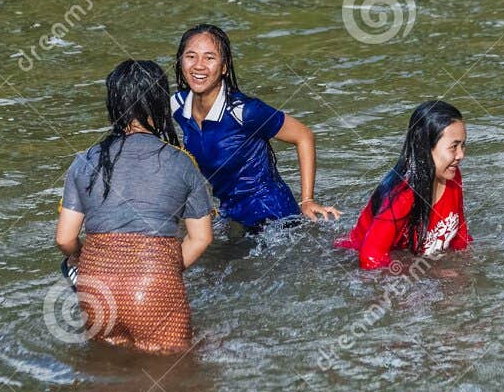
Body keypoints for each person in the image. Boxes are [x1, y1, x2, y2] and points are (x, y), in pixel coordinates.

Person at [55, 60, 213, 355]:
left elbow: (64, 238)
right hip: (154, 286)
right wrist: (164, 270)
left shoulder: (85, 160)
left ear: (113, 106)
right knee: (177, 378)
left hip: (95, 289)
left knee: (106, 370)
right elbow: (201, 238)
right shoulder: (180, 161)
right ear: (160, 106)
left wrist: (80, 259)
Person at [171, 24, 342, 231]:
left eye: (209, 58)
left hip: (273, 217)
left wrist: (307, 200)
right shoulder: (178, 106)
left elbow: (304, 135)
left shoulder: (245, 111)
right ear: (180, 61)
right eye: (191, 56)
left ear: (224, 67)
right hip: (230, 213)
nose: (199, 65)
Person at [335, 100, 471, 270]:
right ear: (425, 147)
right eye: (454, 146)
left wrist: (466, 263)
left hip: (411, 258)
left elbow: (459, 232)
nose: (461, 155)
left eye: (463, 145)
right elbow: (370, 256)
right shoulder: (403, 195)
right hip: (353, 259)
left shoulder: (453, 176)